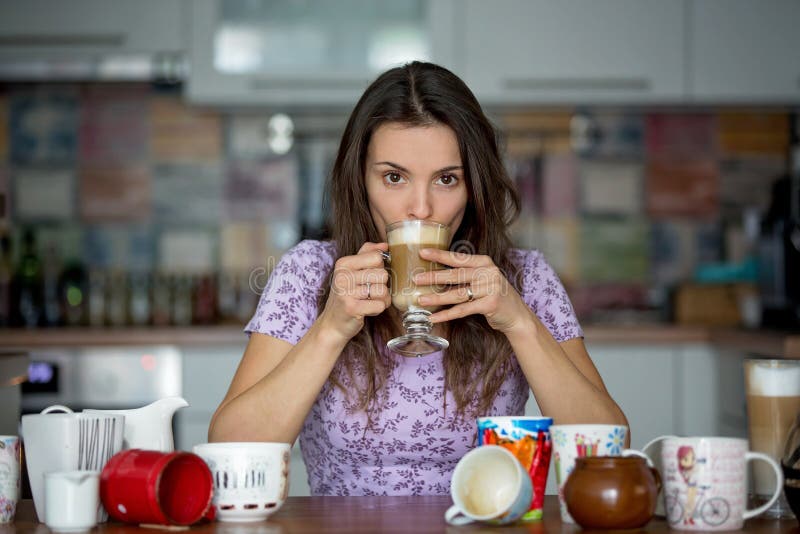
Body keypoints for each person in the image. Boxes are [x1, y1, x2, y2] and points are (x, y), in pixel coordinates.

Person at [209, 61, 628, 496]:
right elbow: (229, 449)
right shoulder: (310, 273)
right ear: (361, 182)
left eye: (447, 180)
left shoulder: (525, 279)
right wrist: (330, 330)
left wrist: (520, 323)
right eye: (394, 178)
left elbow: (608, 455)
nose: (421, 208)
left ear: (474, 188)